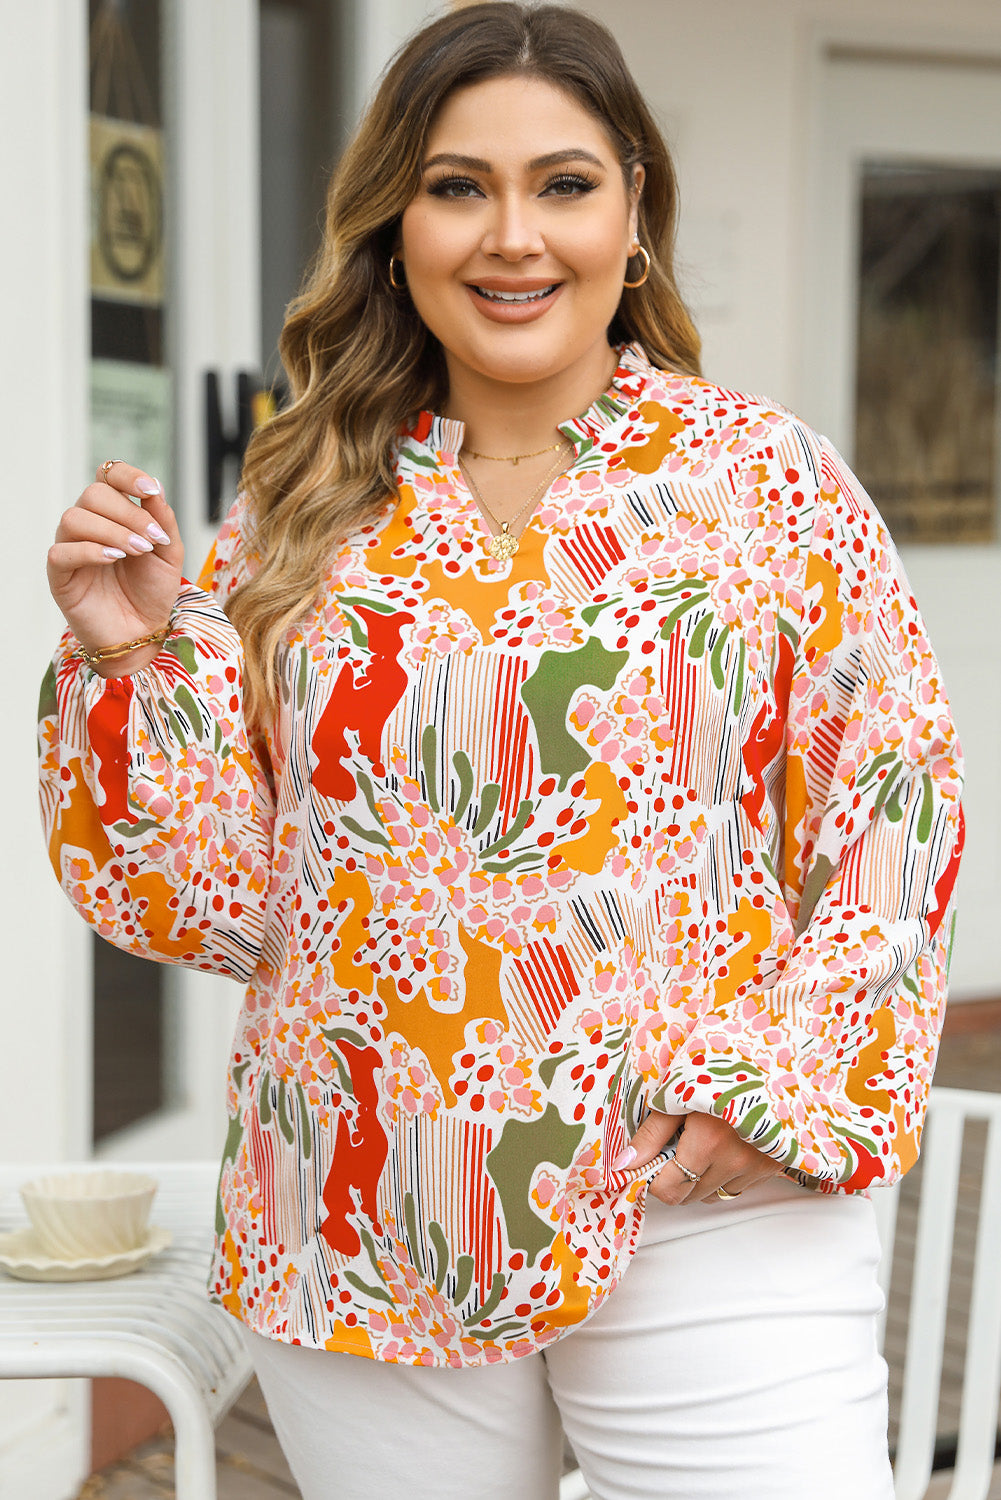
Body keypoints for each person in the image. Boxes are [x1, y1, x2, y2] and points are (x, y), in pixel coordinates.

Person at [39, 4, 965, 1497]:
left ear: (633, 214)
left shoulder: (764, 482)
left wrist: (775, 1098)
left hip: (702, 1190)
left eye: (564, 183)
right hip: (366, 1203)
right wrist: (126, 658)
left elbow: (892, 803)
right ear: (396, 224)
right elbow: (209, 898)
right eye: (459, 185)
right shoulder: (295, 512)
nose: (511, 235)